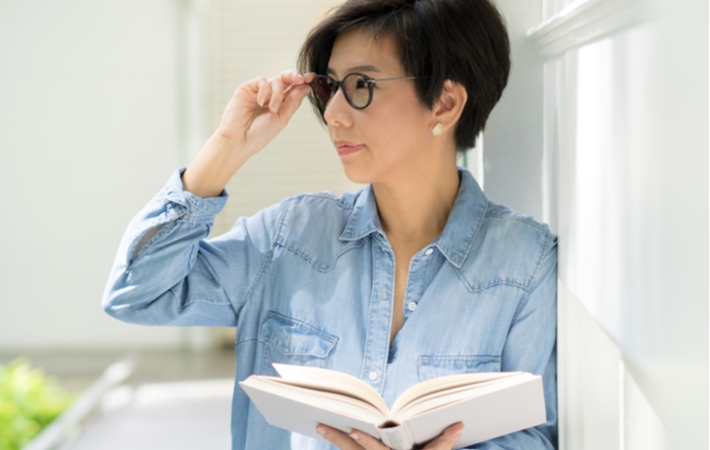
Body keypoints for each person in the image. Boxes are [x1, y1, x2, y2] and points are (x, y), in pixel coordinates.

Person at [103, 0, 558, 448]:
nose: (335, 115)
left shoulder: (525, 264)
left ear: (444, 102)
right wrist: (225, 148)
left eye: (361, 85)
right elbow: (137, 292)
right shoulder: (291, 236)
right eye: (330, 87)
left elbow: (535, 436)